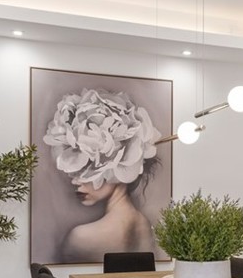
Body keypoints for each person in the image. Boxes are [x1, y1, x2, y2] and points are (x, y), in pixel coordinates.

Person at [44, 87, 162, 263]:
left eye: (87, 167)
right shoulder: (145, 226)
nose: (76, 180)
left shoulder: (80, 238)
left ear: (117, 163)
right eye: (75, 169)